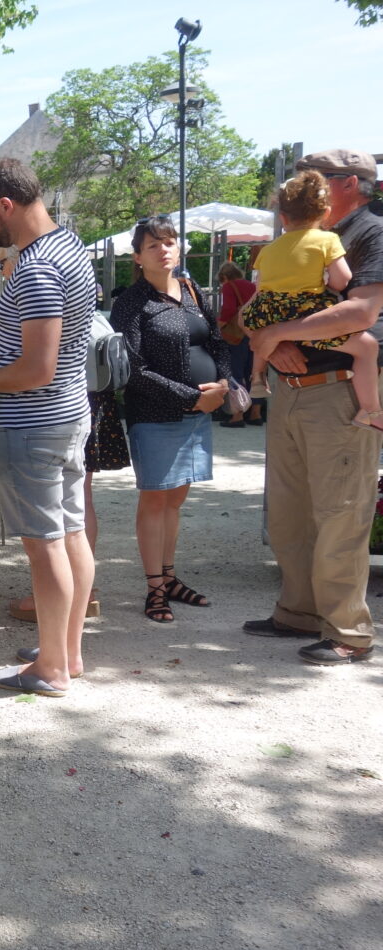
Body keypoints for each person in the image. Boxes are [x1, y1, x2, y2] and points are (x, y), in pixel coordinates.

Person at [0, 157, 95, 697]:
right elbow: (46, 348)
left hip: (36, 422)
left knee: (44, 542)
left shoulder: (34, 269)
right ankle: (67, 652)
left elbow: (36, 369)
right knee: (71, 532)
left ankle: (49, 669)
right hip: (69, 413)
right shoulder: (68, 247)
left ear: (6, 205)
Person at [241, 148, 383, 666]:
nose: (307, 186)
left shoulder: (372, 233)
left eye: (315, 178)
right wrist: (271, 342)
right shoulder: (310, 237)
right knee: (289, 511)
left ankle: (348, 630)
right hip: (292, 391)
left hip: (340, 389)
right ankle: (297, 611)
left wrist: (277, 331)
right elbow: (253, 311)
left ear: (347, 183)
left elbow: (363, 309)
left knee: (340, 513)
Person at [111, 216, 232, 624]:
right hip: (156, 414)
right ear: (138, 257)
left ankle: (170, 576)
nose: (164, 249)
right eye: (153, 245)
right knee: (155, 498)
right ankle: (154, 590)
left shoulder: (193, 289)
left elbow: (216, 341)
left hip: (199, 413)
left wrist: (224, 384)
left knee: (176, 500)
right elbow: (131, 367)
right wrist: (189, 398)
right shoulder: (132, 302)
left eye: (169, 241)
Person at [244, 173, 374, 427]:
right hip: (305, 313)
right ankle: (370, 409)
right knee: (367, 347)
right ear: (326, 213)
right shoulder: (328, 240)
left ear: (283, 218)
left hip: (268, 310)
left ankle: (257, 376)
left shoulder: (268, 250)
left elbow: (260, 289)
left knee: (263, 329)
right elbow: (342, 281)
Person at [216, 261, 262, 426]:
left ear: (225, 276)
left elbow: (228, 309)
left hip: (237, 335)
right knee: (254, 372)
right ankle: (255, 414)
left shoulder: (229, 286)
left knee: (235, 373)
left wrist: (218, 326)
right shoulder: (252, 286)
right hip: (255, 333)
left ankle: (238, 415)